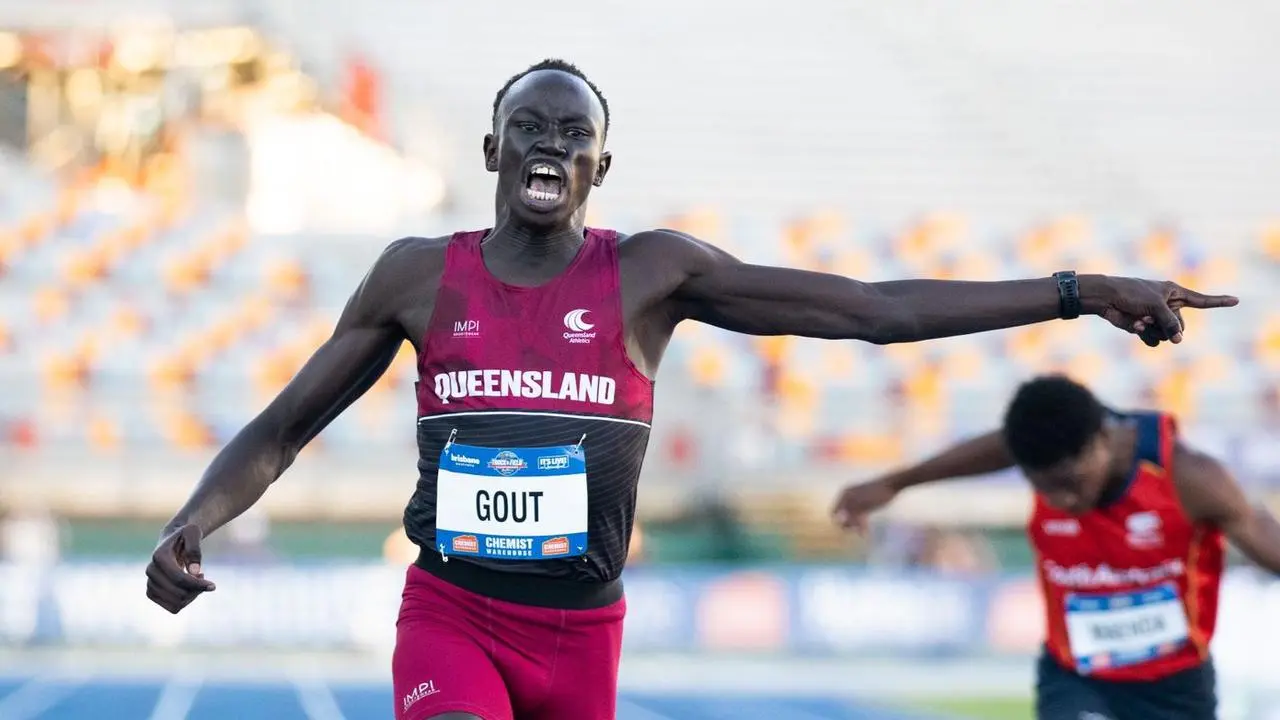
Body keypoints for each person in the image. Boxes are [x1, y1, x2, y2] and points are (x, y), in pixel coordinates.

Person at [143, 57, 1238, 720]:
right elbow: (284, 427)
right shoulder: (418, 276)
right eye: (529, 124)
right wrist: (195, 517)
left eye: (574, 134)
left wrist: (1076, 289)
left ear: (599, 170)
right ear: (490, 145)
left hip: (584, 637)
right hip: (453, 615)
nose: (549, 143)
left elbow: (871, 310)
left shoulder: (651, 273)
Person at [831, 374, 1280, 720]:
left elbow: (1264, 538)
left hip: (1175, 685)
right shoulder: (1041, 448)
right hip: (1076, 674)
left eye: (1071, 484)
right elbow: (997, 446)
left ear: (1103, 441)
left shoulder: (1189, 478)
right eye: (1043, 489)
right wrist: (893, 483)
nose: (1064, 501)